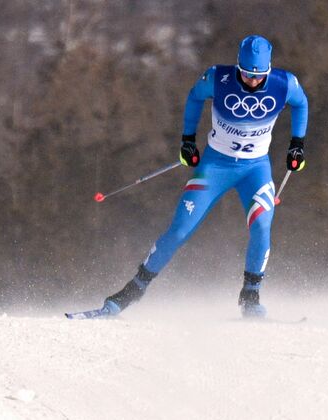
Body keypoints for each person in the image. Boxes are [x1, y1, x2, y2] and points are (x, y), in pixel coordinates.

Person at [94, 34, 307, 318]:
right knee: (180, 230)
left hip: (255, 168)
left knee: (261, 226)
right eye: (246, 74)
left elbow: (301, 104)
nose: (252, 81)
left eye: (259, 76)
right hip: (215, 166)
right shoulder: (217, 78)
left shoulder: (285, 84)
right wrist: (188, 141)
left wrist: (297, 145)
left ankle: (251, 297)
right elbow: (195, 97)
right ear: (237, 67)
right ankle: (131, 291)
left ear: (268, 70)